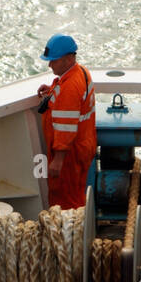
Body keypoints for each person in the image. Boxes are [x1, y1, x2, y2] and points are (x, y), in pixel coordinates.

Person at [36, 34, 96, 209]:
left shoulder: (69, 87)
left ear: (69, 59)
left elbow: (66, 128)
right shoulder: (81, 72)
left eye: (53, 60)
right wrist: (53, 90)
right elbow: (77, 102)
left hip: (69, 154)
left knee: (65, 199)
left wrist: (58, 160)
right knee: (76, 191)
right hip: (83, 144)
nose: (49, 64)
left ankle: (68, 231)